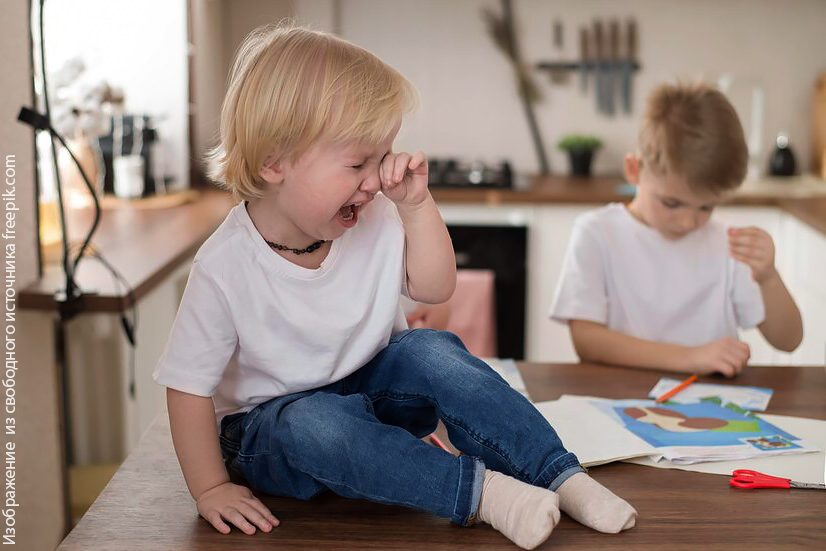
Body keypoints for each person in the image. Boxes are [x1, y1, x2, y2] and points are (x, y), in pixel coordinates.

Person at [154, 24, 636, 550]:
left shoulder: (377, 214)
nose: (373, 179)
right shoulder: (223, 266)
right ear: (275, 162)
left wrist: (415, 206)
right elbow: (187, 389)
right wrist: (211, 488)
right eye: (358, 162)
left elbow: (435, 288)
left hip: (371, 394)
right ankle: (485, 496)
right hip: (270, 433)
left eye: (380, 157)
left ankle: (559, 476)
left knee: (430, 348)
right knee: (313, 422)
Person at [551, 81, 803, 378]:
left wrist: (768, 278)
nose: (688, 222)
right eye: (672, 203)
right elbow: (587, 341)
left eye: (706, 207)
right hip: (617, 398)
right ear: (634, 170)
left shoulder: (728, 245)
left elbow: (788, 342)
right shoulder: (596, 233)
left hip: (711, 410)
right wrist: (690, 357)